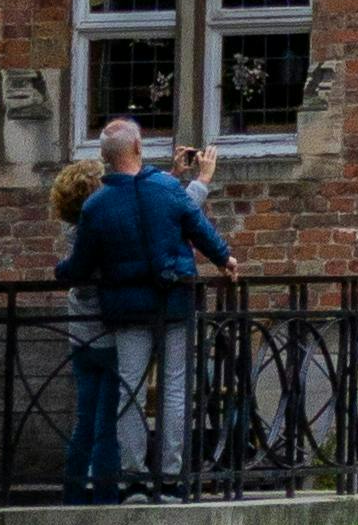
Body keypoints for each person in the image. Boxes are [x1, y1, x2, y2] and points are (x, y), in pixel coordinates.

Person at [59, 112, 232, 496]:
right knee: (174, 389)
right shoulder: (164, 189)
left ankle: (133, 476)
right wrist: (224, 258)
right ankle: (171, 478)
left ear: (105, 157)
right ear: (138, 148)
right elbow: (197, 227)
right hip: (173, 301)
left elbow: (80, 266)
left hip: (126, 308)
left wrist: (61, 270)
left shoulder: (98, 205)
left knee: (130, 391)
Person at [48, 148, 116, 501]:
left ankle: (73, 493)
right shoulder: (96, 234)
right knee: (106, 421)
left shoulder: (72, 230)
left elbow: (71, 271)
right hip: (105, 332)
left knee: (85, 418)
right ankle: (104, 495)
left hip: (79, 335)